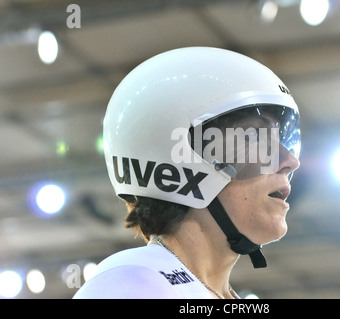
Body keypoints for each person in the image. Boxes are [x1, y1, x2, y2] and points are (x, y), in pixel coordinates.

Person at [73, 47, 301, 299]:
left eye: (282, 141)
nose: (290, 161)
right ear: (181, 158)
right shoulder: (130, 282)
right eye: (257, 138)